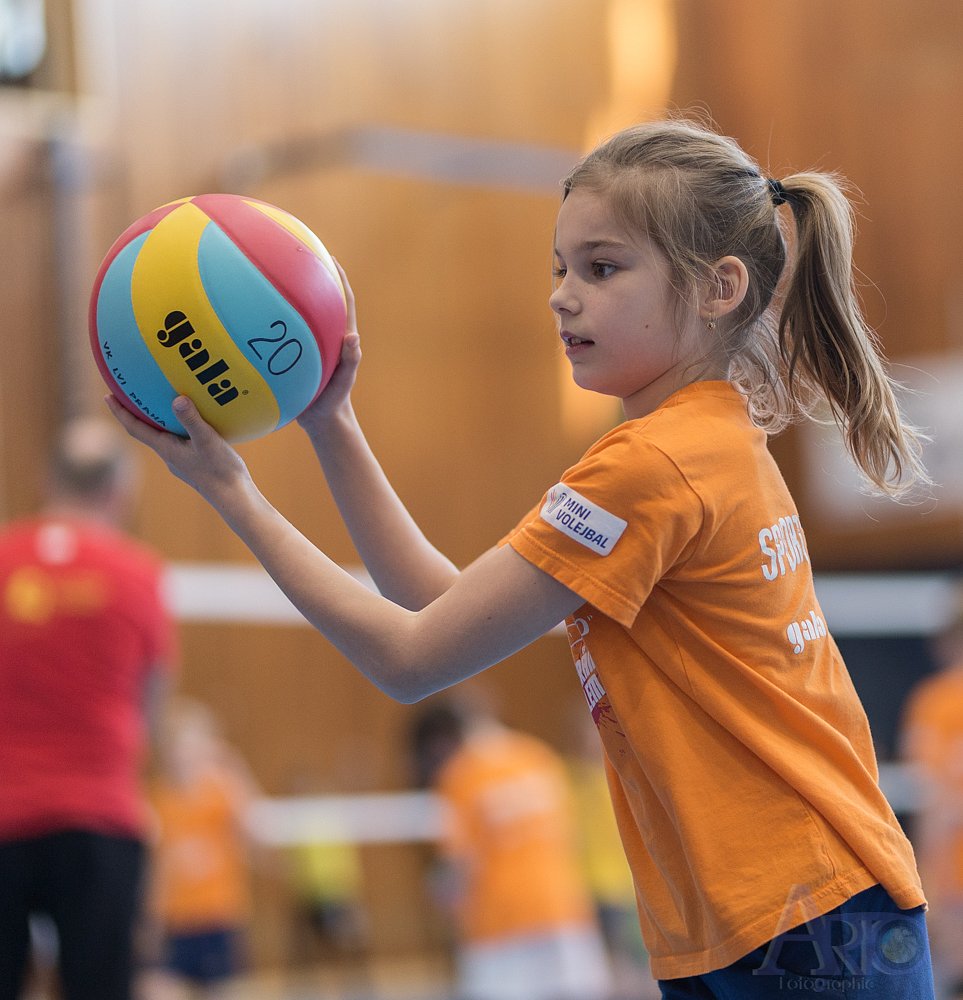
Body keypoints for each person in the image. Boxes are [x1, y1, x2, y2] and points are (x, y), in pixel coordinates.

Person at [106, 116, 936, 998]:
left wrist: (230, 492)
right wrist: (331, 424)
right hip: (761, 916)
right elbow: (442, 608)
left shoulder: (651, 466)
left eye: (601, 269)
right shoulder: (702, 440)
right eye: (559, 268)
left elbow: (409, 658)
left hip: (800, 913)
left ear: (717, 288)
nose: (562, 296)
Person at [0, 416, 177, 1000]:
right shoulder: (139, 574)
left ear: (47, 480)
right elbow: (155, 708)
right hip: (99, 821)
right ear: (120, 490)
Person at [409, 697, 612, 1000]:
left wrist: (436, 893)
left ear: (440, 742)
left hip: (498, 927)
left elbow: (458, 867)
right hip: (564, 912)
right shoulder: (539, 756)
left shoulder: (460, 775)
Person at [143, 698, 257, 1000]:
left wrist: (234, 768)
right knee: (157, 988)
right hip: (174, 921)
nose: (183, 756)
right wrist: (151, 922)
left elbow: (251, 828)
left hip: (217, 916)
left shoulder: (221, 791)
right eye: (176, 747)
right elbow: (152, 867)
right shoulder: (157, 799)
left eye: (192, 746)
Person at [900, 595, 963, 998]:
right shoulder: (936, 701)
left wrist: (928, 885)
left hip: (952, 879)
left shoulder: (935, 701)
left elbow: (934, 803)